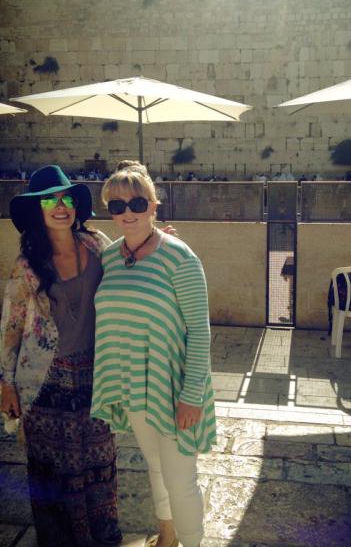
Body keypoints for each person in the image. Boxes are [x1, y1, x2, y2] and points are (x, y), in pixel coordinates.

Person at [91, 161, 216, 547]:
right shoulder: (109, 259)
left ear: (154, 206)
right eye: (117, 206)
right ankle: (168, 538)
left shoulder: (179, 256)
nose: (127, 212)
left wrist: (191, 395)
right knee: (156, 468)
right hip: (133, 384)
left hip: (176, 386)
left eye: (137, 203)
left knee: (181, 481)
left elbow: (199, 329)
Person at [0, 165, 122, 547]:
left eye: (66, 198)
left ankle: (101, 536)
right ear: (37, 210)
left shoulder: (96, 244)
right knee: (54, 470)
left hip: (96, 372)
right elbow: (11, 328)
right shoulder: (27, 266)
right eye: (50, 200)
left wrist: (159, 242)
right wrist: (6, 383)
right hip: (45, 382)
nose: (60, 206)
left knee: (98, 461)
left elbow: (132, 264)